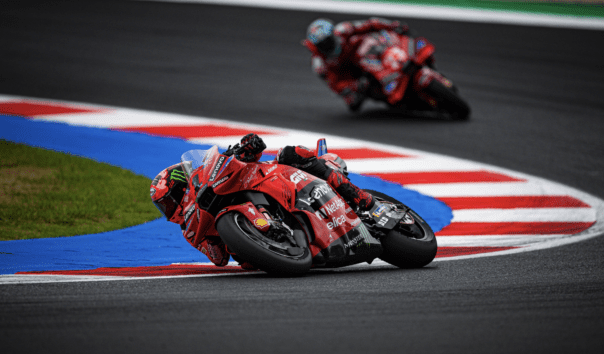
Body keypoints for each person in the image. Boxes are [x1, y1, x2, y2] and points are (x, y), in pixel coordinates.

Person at [150, 133, 374, 268]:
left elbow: (249, 154)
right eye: (164, 207)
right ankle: (286, 239)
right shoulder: (189, 230)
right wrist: (218, 238)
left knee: (293, 153)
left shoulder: (208, 175)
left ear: (182, 186)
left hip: (273, 179)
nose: (169, 209)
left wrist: (246, 148)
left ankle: (361, 198)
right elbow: (219, 259)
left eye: (169, 201)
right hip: (266, 251)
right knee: (245, 263)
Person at [302, 17, 411, 112]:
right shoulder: (320, 65)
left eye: (328, 41)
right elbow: (335, 84)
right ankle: (393, 95)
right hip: (353, 76)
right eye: (322, 45)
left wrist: (392, 25)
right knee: (353, 102)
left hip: (365, 55)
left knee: (379, 39)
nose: (327, 46)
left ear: (333, 33)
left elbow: (371, 24)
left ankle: (404, 58)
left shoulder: (344, 29)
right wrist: (354, 85)